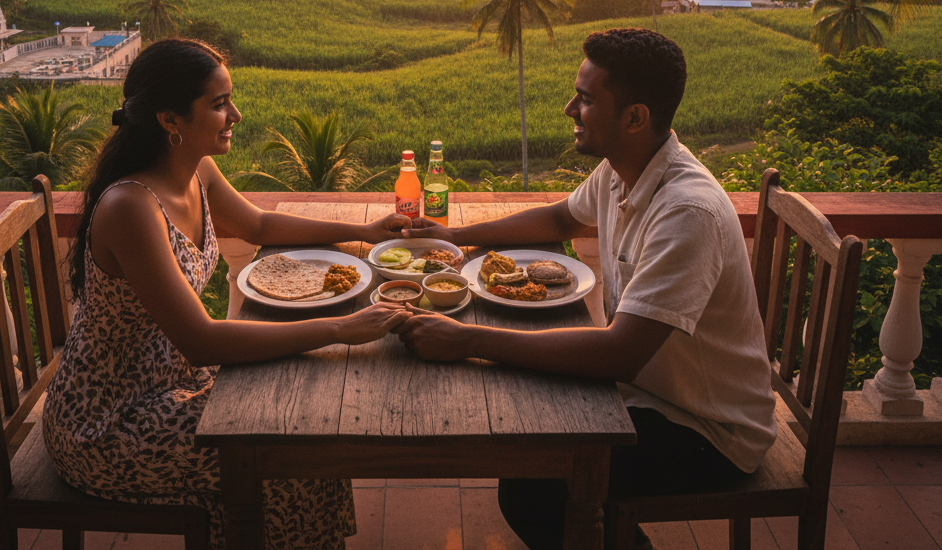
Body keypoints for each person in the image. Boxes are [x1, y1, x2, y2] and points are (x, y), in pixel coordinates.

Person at [397, 27, 776, 550]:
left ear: (635, 117)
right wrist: (456, 237)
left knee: (536, 486)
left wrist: (468, 342)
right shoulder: (624, 169)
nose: (569, 109)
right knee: (530, 428)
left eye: (586, 99)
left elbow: (620, 353)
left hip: (708, 429)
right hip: (648, 394)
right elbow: (560, 217)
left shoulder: (687, 212)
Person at [42, 38, 411, 550]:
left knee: (307, 419)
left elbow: (258, 224)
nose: (234, 114)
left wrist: (366, 230)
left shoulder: (197, 171)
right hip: (108, 422)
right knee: (287, 450)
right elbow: (204, 341)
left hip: (173, 381)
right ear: (170, 120)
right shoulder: (131, 207)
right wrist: (340, 329)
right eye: (218, 105)